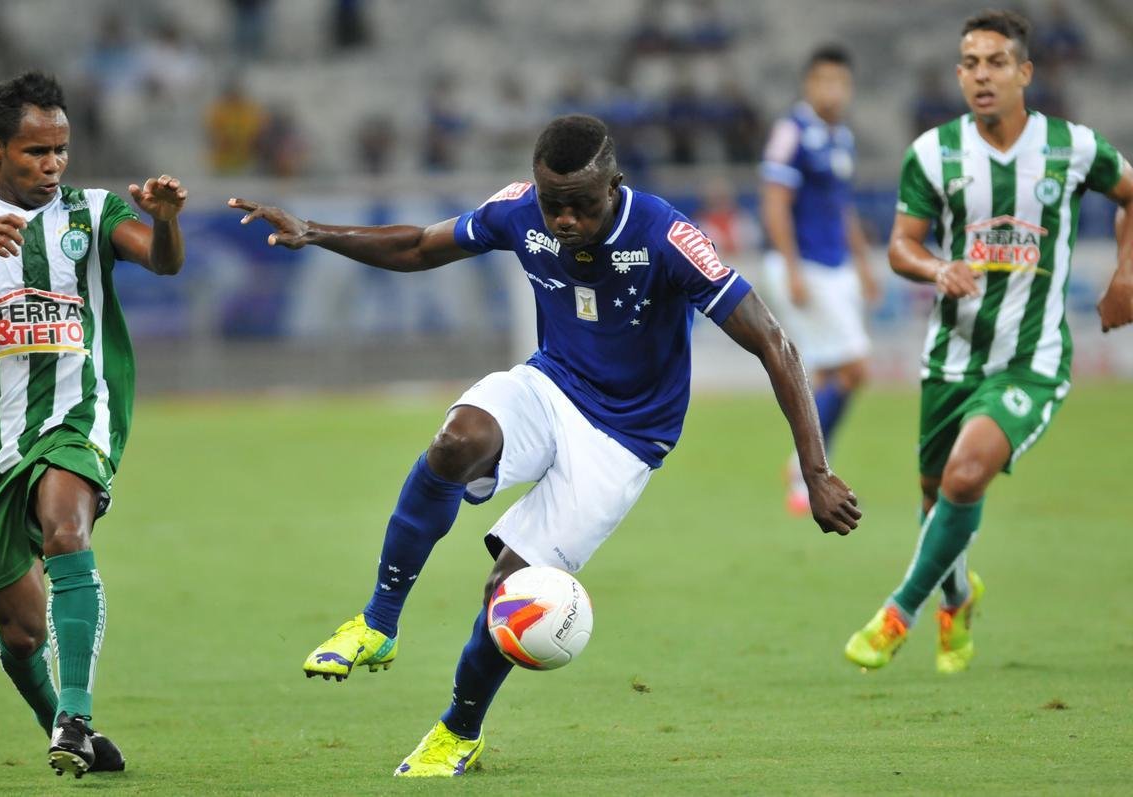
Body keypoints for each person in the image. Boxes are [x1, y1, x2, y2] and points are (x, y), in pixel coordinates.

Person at [230, 114, 861, 777]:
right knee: (456, 440)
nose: (563, 220)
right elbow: (419, 245)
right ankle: (378, 621)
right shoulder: (519, 211)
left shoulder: (667, 235)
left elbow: (774, 341)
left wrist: (816, 470)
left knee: (510, 593)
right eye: (552, 202)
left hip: (625, 439)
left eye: (581, 206)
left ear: (613, 186)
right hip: (551, 385)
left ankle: (458, 731)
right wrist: (317, 232)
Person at [844, 10, 1133, 674]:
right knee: (936, 497)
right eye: (970, 63)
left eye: (996, 62)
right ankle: (958, 598)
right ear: (958, 74)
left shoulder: (1073, 147)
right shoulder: (933, 153)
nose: (982, 74)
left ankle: (898, 613)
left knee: (966, 474)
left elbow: (1131, 196)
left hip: (1032, 360)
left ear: (1024, 72)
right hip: (951, 358)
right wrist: (934, 267)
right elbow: (900, 245)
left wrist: (1125, 271)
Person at [0, 71, 188, 777]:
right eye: (35, 152)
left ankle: (73, 715)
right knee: (21, 633)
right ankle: (61, 717)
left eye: (61, 150)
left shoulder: (93, 210)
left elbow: (162, 263)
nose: (51, 166)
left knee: (66, 528)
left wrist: (165, 220)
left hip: (78, 411)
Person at [759, 45, 879, 515]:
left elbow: (841, 205)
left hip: (837, 266)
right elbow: (774, 201)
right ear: (809, 84)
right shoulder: (792, 132)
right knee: (856, 369)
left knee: (829, 374)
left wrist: (863, 263)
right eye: (824, 81)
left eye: (840, 82)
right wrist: (790, 269)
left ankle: (809, 474)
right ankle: (803, 470)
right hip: (805, 264)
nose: (833, 90)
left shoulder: (841, 137)